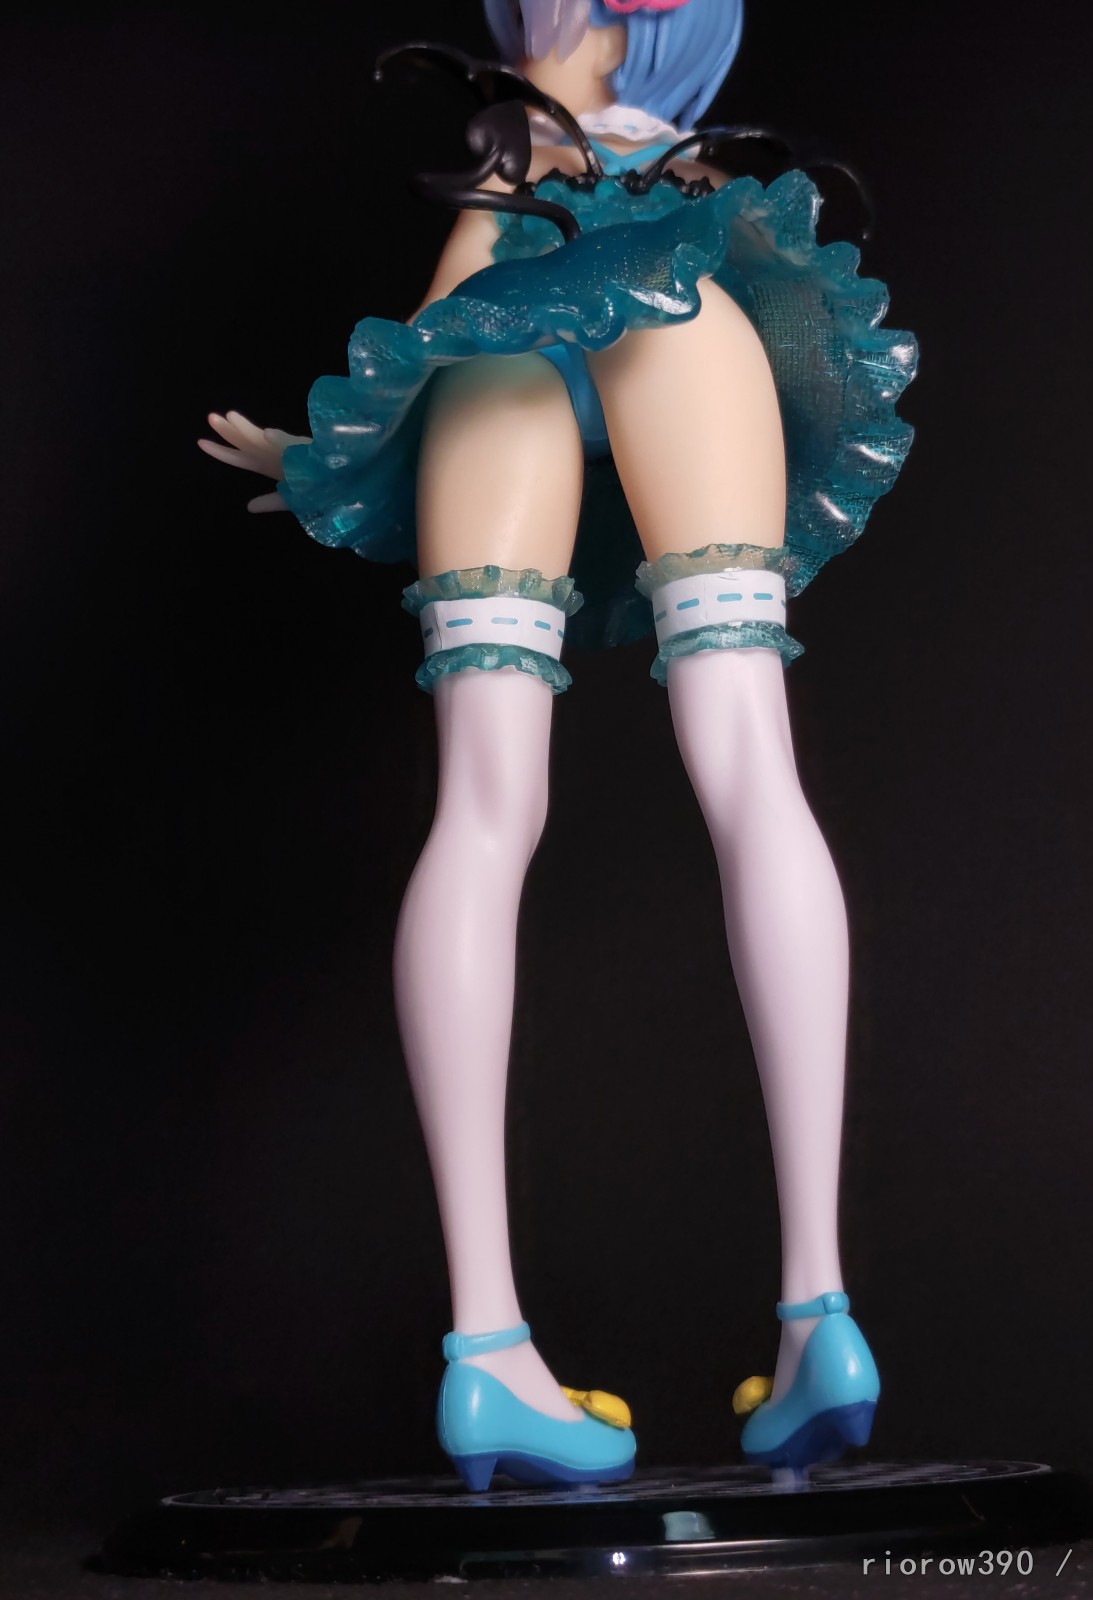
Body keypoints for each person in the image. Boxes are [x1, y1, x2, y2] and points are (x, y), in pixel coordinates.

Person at [200, 0, 916, 1491]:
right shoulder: (677, 141)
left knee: (482, 810)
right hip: (685, 318)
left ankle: (488, 1350)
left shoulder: (527, 112)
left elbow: (463, 291)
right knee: (753, 770)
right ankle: (819, 1314)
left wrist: (332, 455)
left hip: (511, 329)